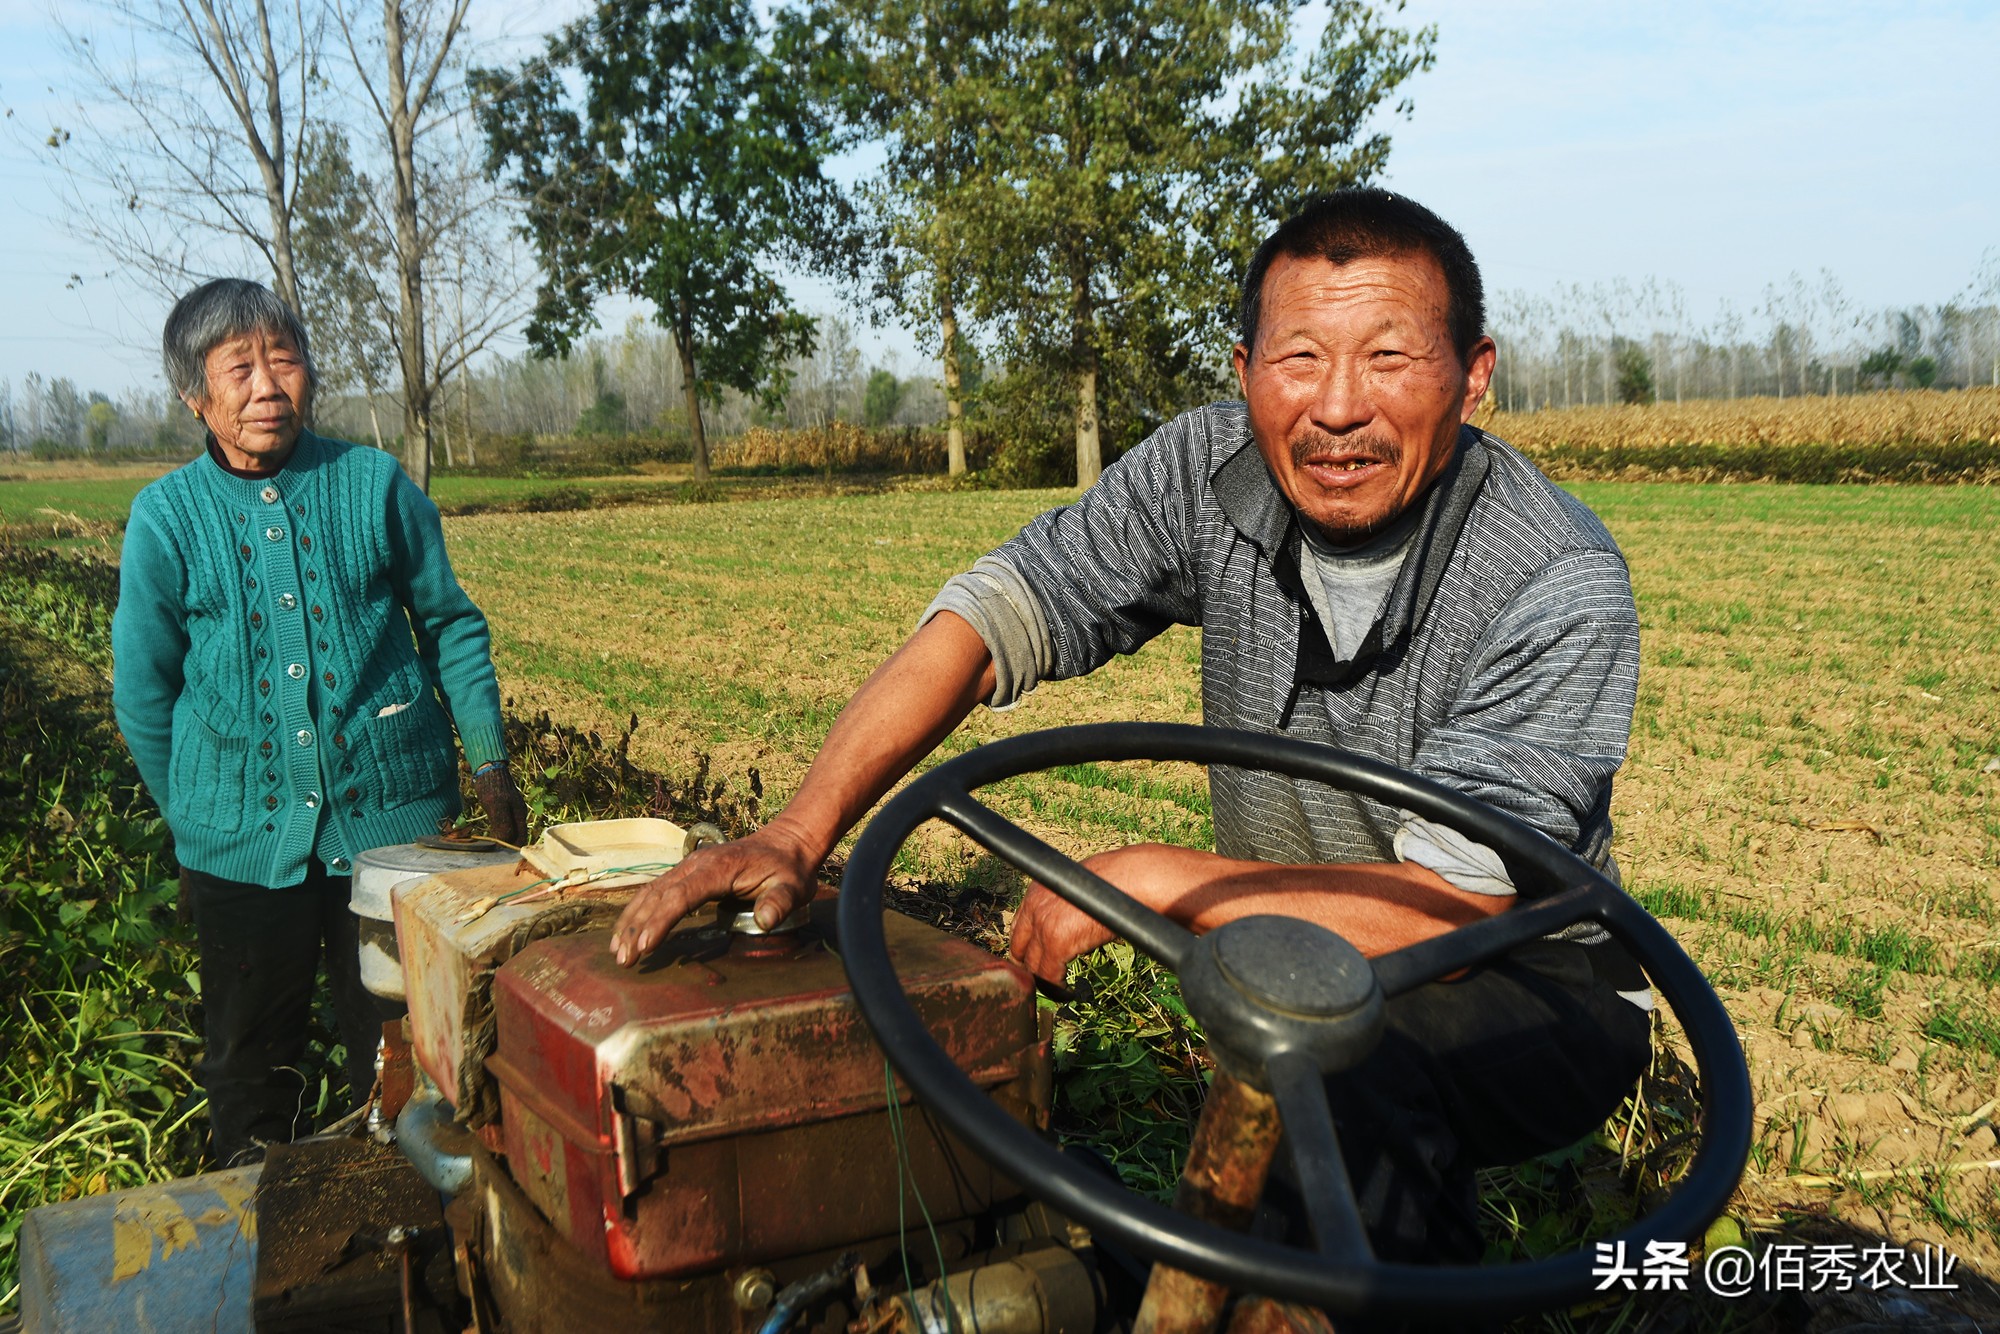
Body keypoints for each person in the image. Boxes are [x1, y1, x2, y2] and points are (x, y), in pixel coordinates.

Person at [611, 189, 1652, 1263]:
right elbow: (997, 613)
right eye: (1298, 357)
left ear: (1472, 375)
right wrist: (797, 828)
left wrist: (1153, 877)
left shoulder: (1549, 575)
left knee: (1347, 1063)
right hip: (1284, 948)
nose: (1338, 407)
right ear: (1244, 370)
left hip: (1525, 977)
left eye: (1389, 359)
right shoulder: (1206, 472)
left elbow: (1450, 912)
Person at [111, 278, 528, 1166]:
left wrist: (490, 765)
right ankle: (270, 1250)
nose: (267, 386)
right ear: (196, 396)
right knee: (251, 1071)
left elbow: (451, 624)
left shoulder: (372, 485)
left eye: (284, 360)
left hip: (395, 844)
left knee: (404, 1060)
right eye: (239, 369)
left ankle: (401, 1249)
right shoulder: (167, 518)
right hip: (239, 856)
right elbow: (144, 694)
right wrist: (194, 825)